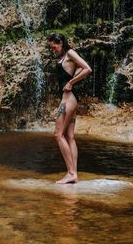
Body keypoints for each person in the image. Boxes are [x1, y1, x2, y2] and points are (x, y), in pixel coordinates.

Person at [47, 33, 92, 184]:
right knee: (69, 136)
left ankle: (71, 172)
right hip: (70, 98)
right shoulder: (64, 56)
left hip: (68, 99)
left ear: (60, 42)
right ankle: (74, 174)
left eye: (54, 46)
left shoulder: (70, 53)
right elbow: (79, 70)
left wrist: (72, 82)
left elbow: (87, 69)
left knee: (57, 135)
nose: (53, 49)